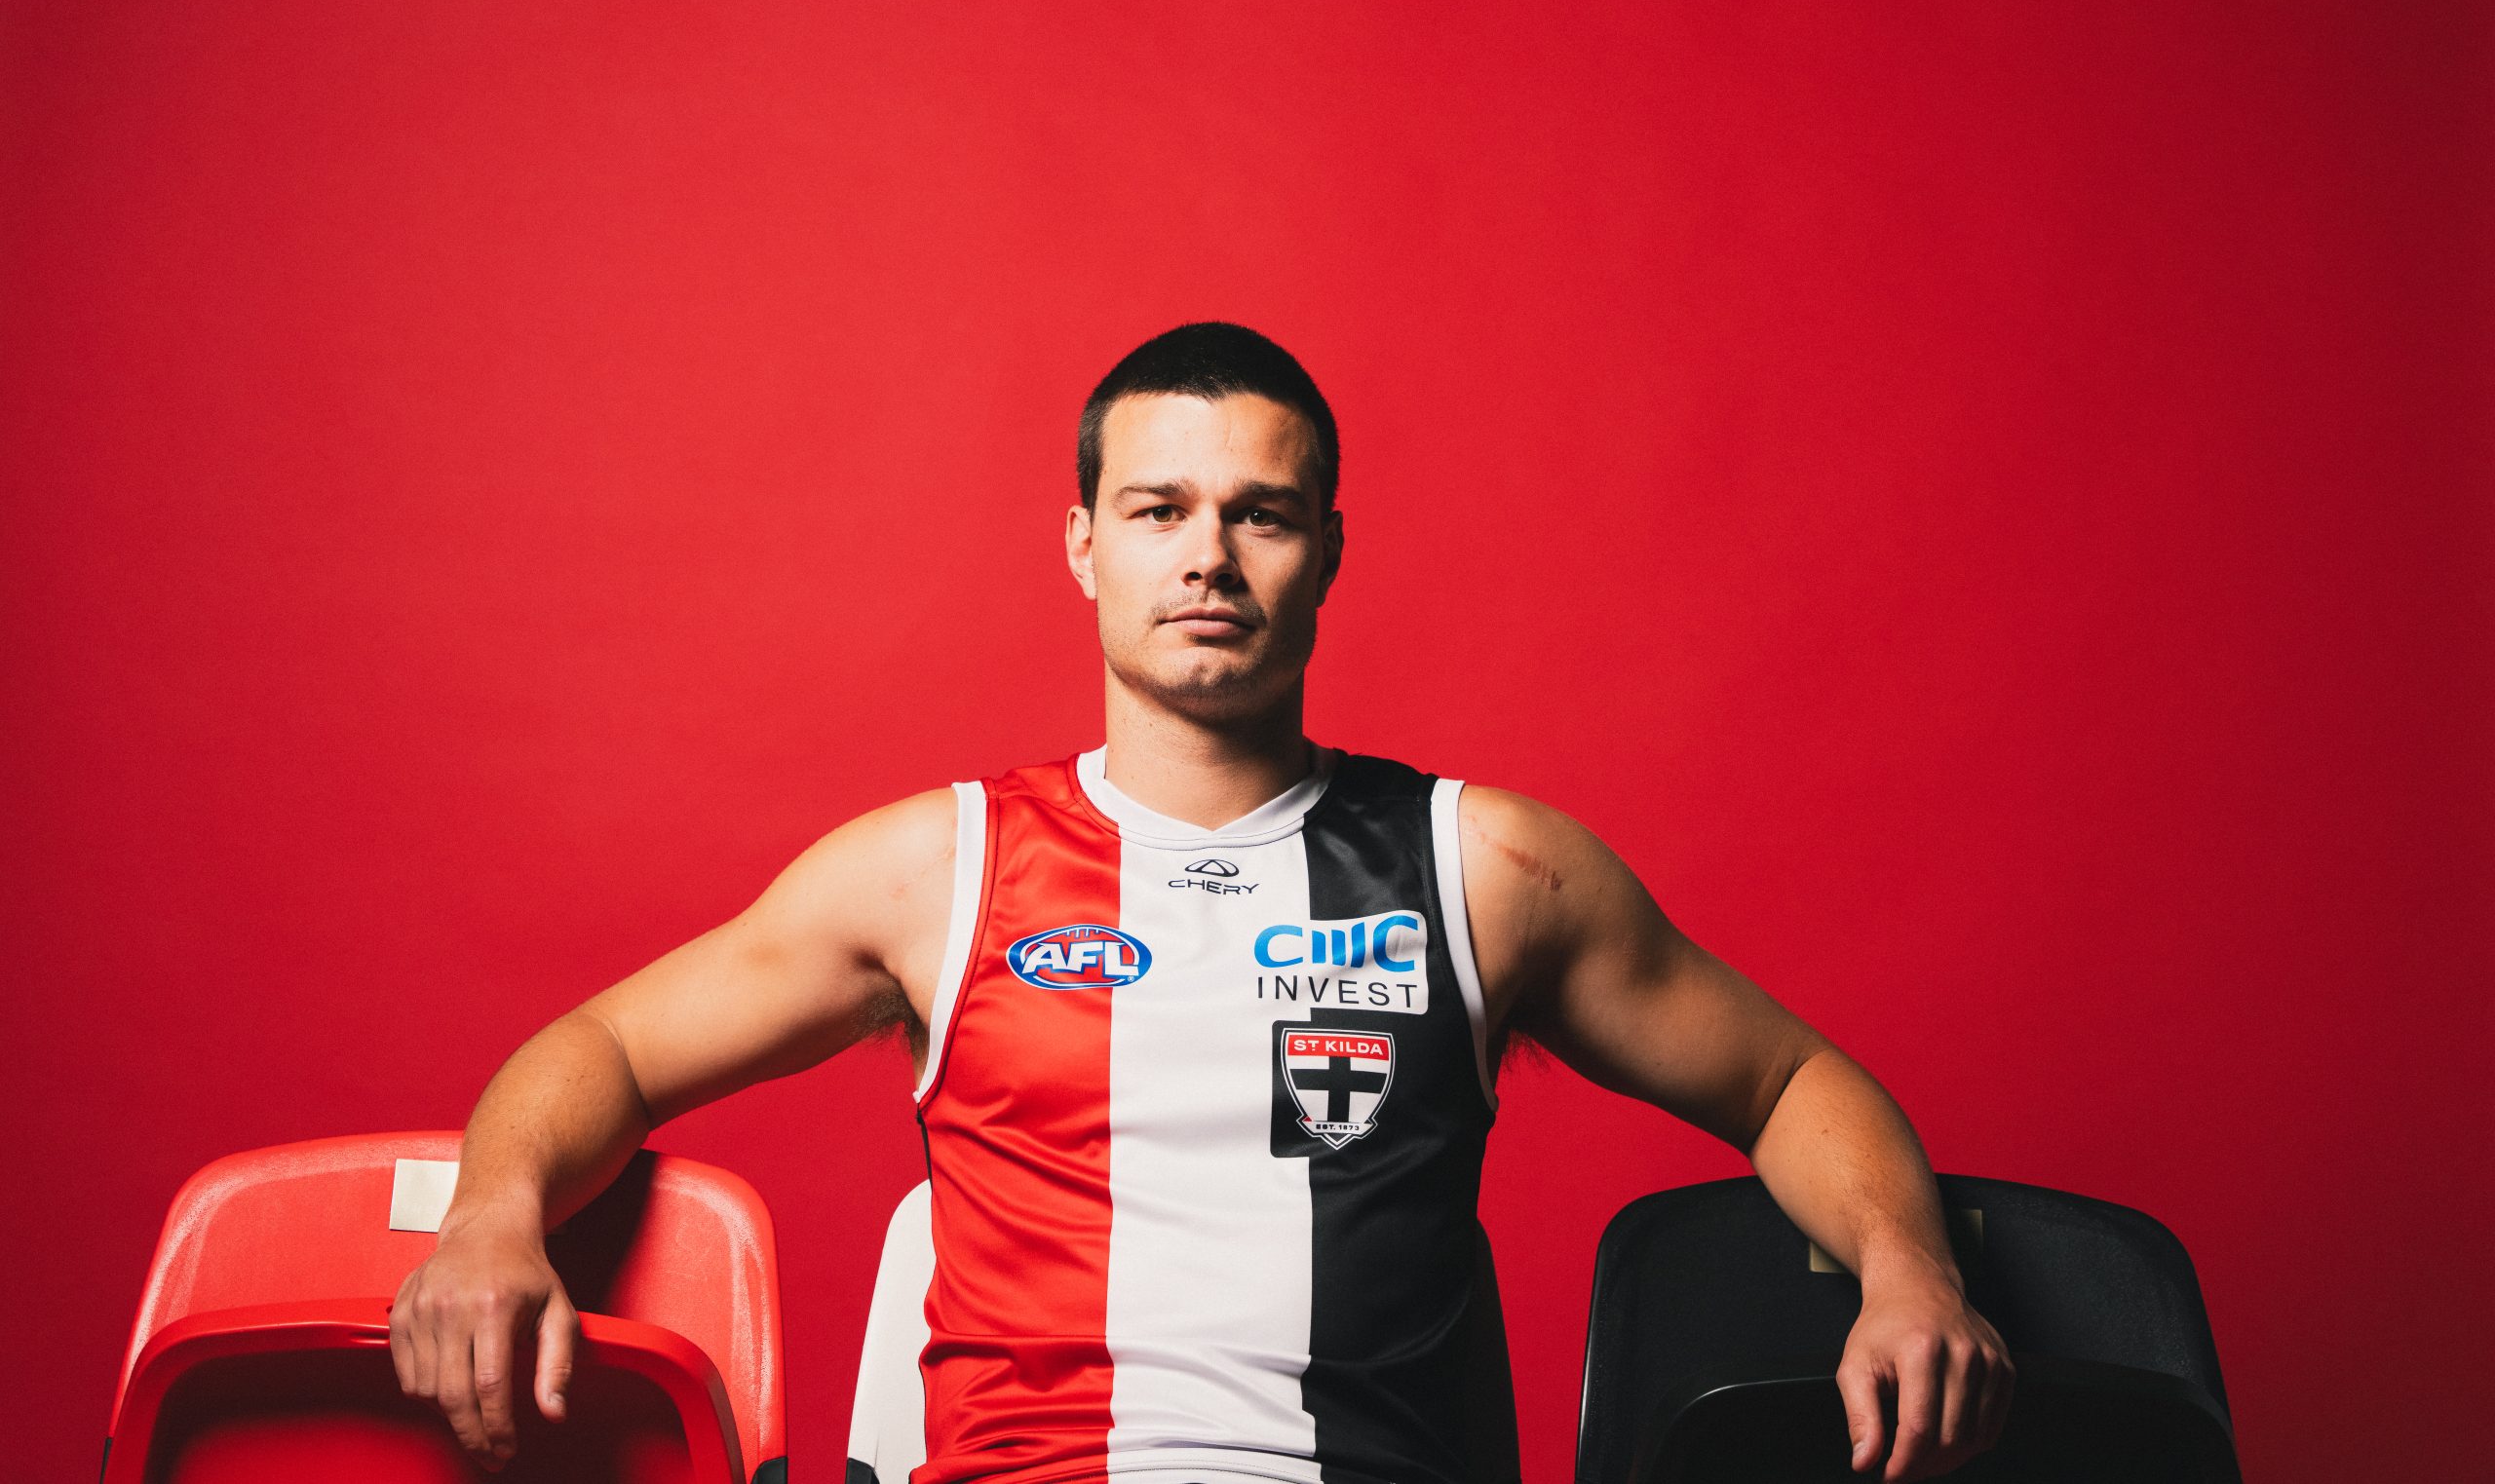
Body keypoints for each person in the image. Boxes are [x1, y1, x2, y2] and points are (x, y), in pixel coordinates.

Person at [389, 323, 2013, 1484]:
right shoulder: (934, 870)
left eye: (1263, 512)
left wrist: (1907, 1269)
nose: (1210, 556)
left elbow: (1793, 1079)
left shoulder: (1490, 869)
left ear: (1329, 552)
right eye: (1162, 510)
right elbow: (600, 1047)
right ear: (1085, 545)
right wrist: (491, 1214)